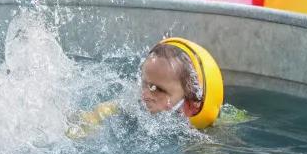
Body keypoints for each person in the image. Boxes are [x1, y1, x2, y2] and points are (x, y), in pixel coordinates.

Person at [72, 39, 224, 134]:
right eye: (145, 83)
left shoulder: (204, 135)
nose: (145, 94)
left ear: (192, 105)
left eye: (159, 89)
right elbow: (103, 111)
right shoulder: (131, 110)